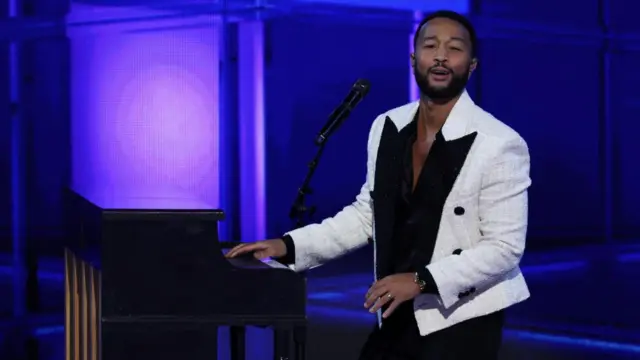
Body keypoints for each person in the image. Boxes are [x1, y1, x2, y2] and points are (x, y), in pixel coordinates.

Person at [226, 9, 531, 360]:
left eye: (455, 48)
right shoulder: (387, 126)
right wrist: (288, 246)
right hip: (396, 310)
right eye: (431, 46)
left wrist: (420, 280)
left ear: (473, 64)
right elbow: (366, 216)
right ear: (414, 57)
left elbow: (504, 248)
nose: (442, 56)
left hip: (460, 316)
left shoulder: (499, 142)